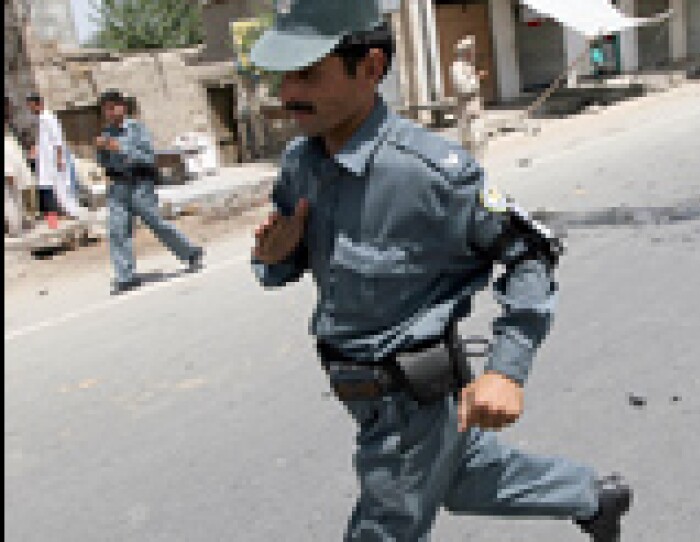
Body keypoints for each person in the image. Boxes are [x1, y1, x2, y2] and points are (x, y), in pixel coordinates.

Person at [248, 1, 632, 540]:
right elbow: (288, 259)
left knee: (385, 527)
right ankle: (593, 497)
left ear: (370, 68)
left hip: (410, 404)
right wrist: (274, 258)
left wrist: (506, 371)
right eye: (283, 76)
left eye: (307, 74)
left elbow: (530, 255)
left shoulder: (431, 173)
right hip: (363, 395)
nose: (287, 94)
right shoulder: (300, 165)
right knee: (465, 477)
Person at [95, 90, 204, 295]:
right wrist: (101, 150)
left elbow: (148, 157)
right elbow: (103, 162)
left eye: (112, 107)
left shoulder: (137, 129)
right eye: (105, 110)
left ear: (122, 107)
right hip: (118, 186)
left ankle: (190, 252)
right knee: (118, 231)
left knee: (156, 223)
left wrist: (121, 148)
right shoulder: (106, 133)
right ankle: (125, 276)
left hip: (139, 185)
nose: (109, 113)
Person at [24, 94, 86, 220]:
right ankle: (65, 212)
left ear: (39, 104)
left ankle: (74, 212)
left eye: (32, 106)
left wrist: (59, 157)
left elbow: (58, 139)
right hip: (47, 160)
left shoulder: (49, 118)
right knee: (54, 187)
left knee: (63, 187)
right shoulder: (40, 119)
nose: (31, 109)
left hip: (55, 159)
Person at [450, 35, 488, 161]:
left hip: (475, 110)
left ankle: (478, 164)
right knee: (470, 141)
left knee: (479, 140)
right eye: (470, 50)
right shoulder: (457, 68)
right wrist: (477, 78)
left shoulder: (469, 66)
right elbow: (463, 88)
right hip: (466, 112)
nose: (473, 53)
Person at [5, 97, 36, 236]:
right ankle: (15, 227)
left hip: (13, 169)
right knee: (11, 199)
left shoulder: (11, 128)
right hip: (9, 170)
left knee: (15, 198)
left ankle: (18, 225)